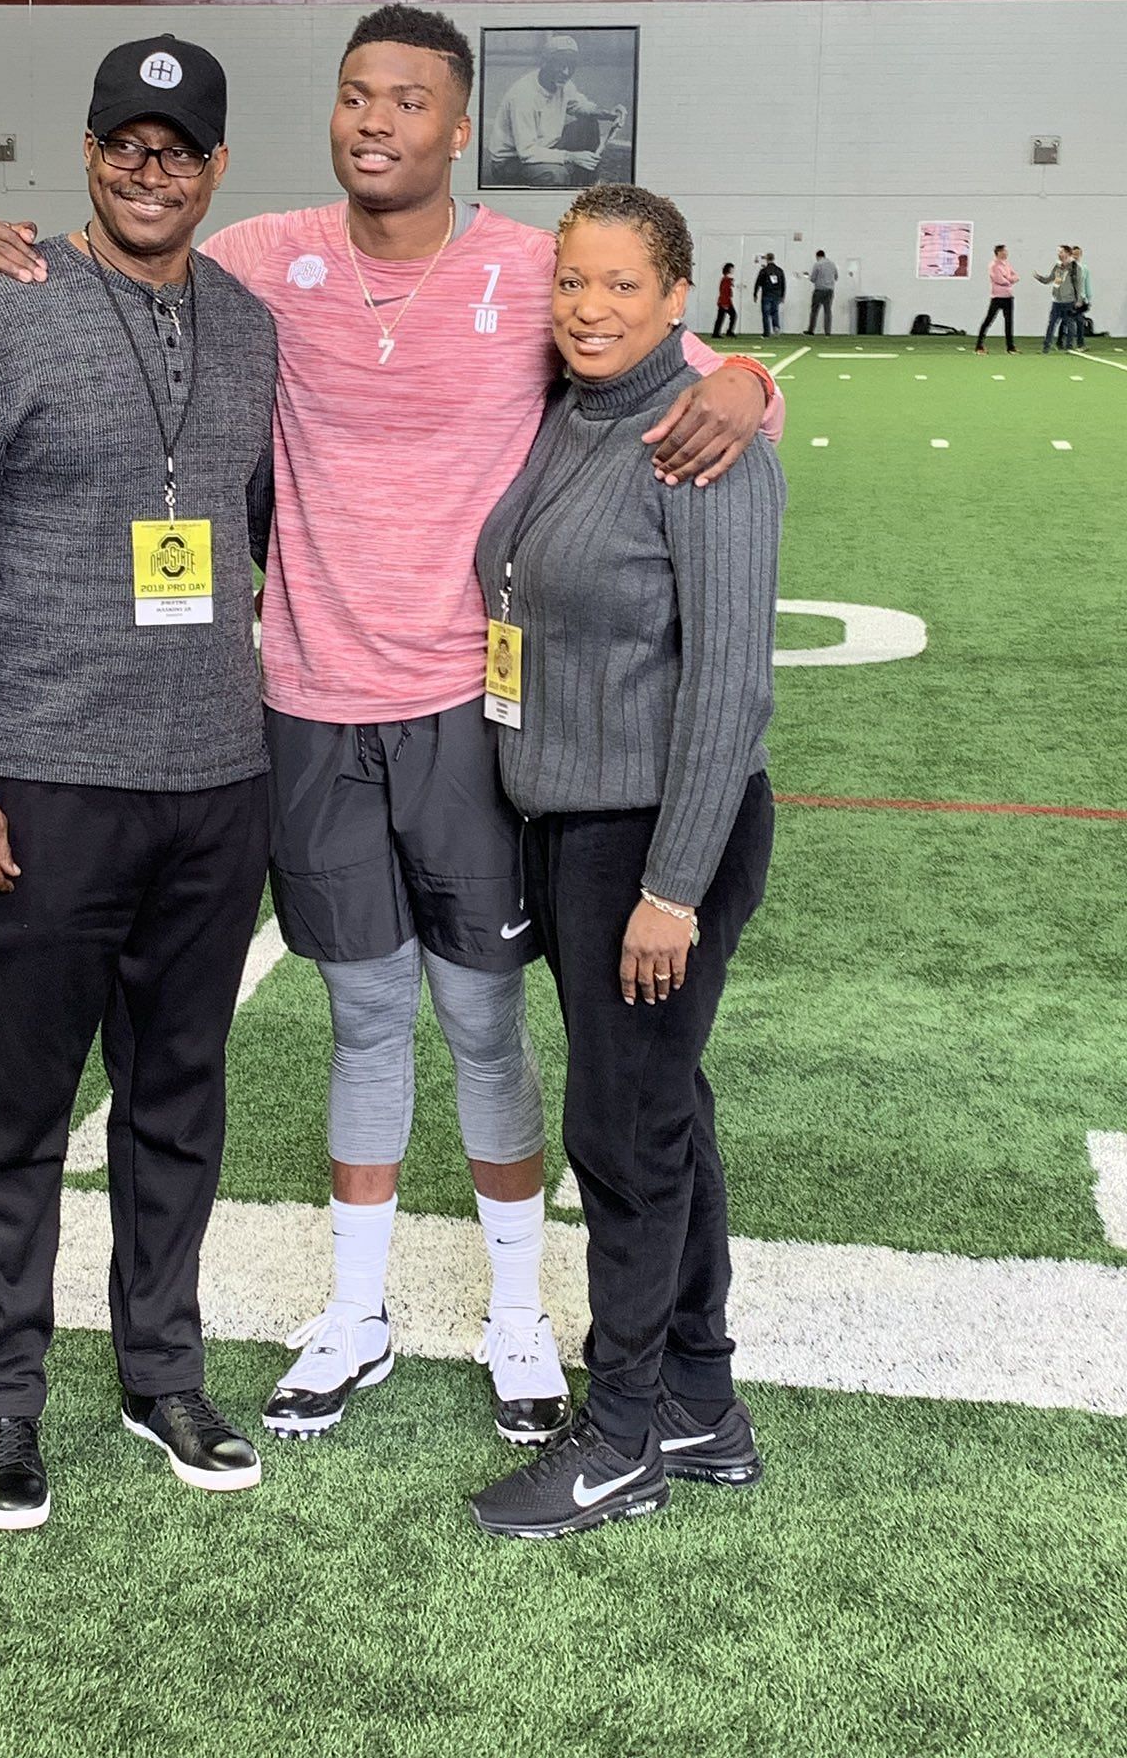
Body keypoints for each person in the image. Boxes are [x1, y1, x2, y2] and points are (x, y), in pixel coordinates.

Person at [0, 4, 782, 1461]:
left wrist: (748, 380)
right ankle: (357, 1312)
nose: (377, 120)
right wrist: (5, 252)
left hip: (471, 711)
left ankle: (521, 1316)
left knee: (481, 1021)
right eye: (354, 96)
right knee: (360, 1016)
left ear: (461, 127)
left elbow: (690, 366)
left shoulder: (535, 272)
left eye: (410, 99)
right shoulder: (266, 256)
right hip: (305, 703)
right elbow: (120, 263)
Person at [0, 34, 277, 1531]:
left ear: (217, 170)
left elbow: (249, 524)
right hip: (47, 782)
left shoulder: (251, 327)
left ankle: (159, 1369)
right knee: (23, 1113)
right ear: (89, 151)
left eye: (177, 150)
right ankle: (1, 1400)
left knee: (179, 1100)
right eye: (124, 143)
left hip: (214, 779)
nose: (148, 169)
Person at [470, 183, 784, 1538]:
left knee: (625, 1132)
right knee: (665, 1110)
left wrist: (670, 888)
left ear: (677, 300)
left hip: (656, 837)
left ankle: (620, 1439)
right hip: (574, 827)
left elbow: (728, 689)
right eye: (571, 282)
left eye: (620, 287)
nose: (589, 308)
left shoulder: (701, 440)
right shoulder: (576, 411)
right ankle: (704, 1402)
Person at [485, 33, 626, 188]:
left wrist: (606, 114)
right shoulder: (524, 96)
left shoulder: (563, 83)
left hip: (546, 146)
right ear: (544, 62)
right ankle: (562, 187)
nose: (566, 72)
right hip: (510, 162)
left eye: (571, 65)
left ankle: (584, 187)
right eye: (560, 64)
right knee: (555, 175)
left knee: (588, 124)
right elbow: (527, 152)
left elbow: (579, 105)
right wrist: (571, 157)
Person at [1036, 245, 1083, 353]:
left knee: (1070, 324)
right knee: (1051, 324)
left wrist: (1079, 299)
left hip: (1069, 301)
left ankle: (1069, 347)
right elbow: (1050, 279)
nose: (1059, 254)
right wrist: (1040, 278)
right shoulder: (1057, 267)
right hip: (1056, 301)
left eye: (1061, 252)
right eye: (1058, 252)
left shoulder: (1075, 268)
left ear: (1067, 253)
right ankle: (1046, 347)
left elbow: (1079, 284)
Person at [975, 245, 1018, 354]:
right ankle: (979, 346)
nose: (1006, 253)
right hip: (997, 297)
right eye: (1004, 251)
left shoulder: (1007, 264)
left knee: (1009, 323)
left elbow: (1016, 276)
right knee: (988, 321)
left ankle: (1010, 347)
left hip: (1008, 297)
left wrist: (1008, 279)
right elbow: (999, 280)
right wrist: (1009, 280)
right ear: (998, 252)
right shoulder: (993, 265)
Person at [805, 250, 837, 335]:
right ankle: (827, 332)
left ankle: (811, 330)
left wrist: (808, 276)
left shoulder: (817, 264)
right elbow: (836, 277)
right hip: (830, 290)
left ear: (818, 256)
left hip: (819, 290)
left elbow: (813, 279)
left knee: (814, 310)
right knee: (827, 311)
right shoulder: (832, 264)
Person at [753, 253, 785, 336]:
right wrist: (782, 295)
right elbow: (783, 284)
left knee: (766, 313)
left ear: (767, 259)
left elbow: (758, 283)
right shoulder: (779, 270)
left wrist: (755, 294)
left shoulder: (764, 271)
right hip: (776, 294)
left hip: (766, 294)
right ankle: (776, 327)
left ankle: (767, 332)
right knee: (775, 311)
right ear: (773, 259)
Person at [1070, 245, 1091, 350]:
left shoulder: (1084, 268)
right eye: (1074, 254)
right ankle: (1062, 342)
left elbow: (1087, 284)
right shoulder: (1067, 268)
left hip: (1080, 299)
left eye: (1077, 254)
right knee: (1066, 321)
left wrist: (1087, 298)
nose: (1076, 256)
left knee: (1079, 320)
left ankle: (1080, 343)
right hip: (1068, 298)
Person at [712, 263, 737, 340]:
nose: (733, 270)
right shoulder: (726, 280)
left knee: (727, 316)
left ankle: (720, 332)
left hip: (726, 301)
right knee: (725, 317)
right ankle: (718, 332)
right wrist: (725, 303)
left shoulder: (726, 280)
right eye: (732, 268)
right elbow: (724, 292)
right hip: (725, 301)